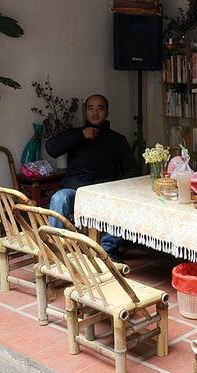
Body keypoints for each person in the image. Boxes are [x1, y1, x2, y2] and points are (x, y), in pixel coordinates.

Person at [46, 94, 137, 262]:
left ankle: (106, 249)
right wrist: (81, 135)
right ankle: (55, 250)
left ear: (107, 112)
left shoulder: (117, 140)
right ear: (85, 112)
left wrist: (116, 189)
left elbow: (131, 171)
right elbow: (51, 149)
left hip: (104, 193)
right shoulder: (75, 134)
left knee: (127, 204)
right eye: (90, 108)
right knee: (59, 198)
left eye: (100, 108)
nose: (95, 113)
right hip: (75, 191)